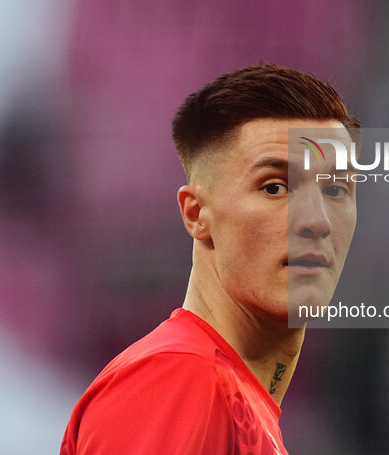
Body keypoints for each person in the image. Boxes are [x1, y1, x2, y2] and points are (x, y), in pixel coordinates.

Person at [61, 63, 359, 454]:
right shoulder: (179, 377)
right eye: (274, 187)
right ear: (196, 214)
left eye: (336, 189)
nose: (317, 221)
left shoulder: (230, 398)